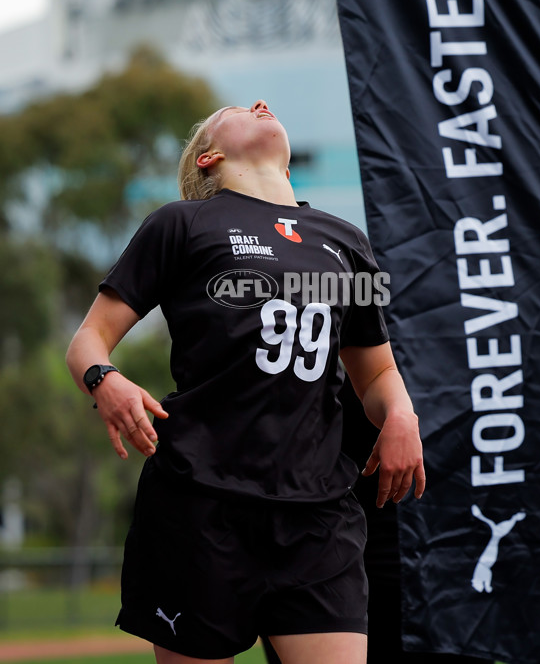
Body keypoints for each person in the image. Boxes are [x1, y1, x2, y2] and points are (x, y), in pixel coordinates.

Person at [66, 99, 426, 664]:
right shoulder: (179, 223)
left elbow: (376, 370)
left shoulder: (348, 241)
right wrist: (104, 380)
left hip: (318, 514)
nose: (261, 104)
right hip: (198, 506)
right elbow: (87, 340)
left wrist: (401, 415)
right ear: (208, 157)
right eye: (236, 108)